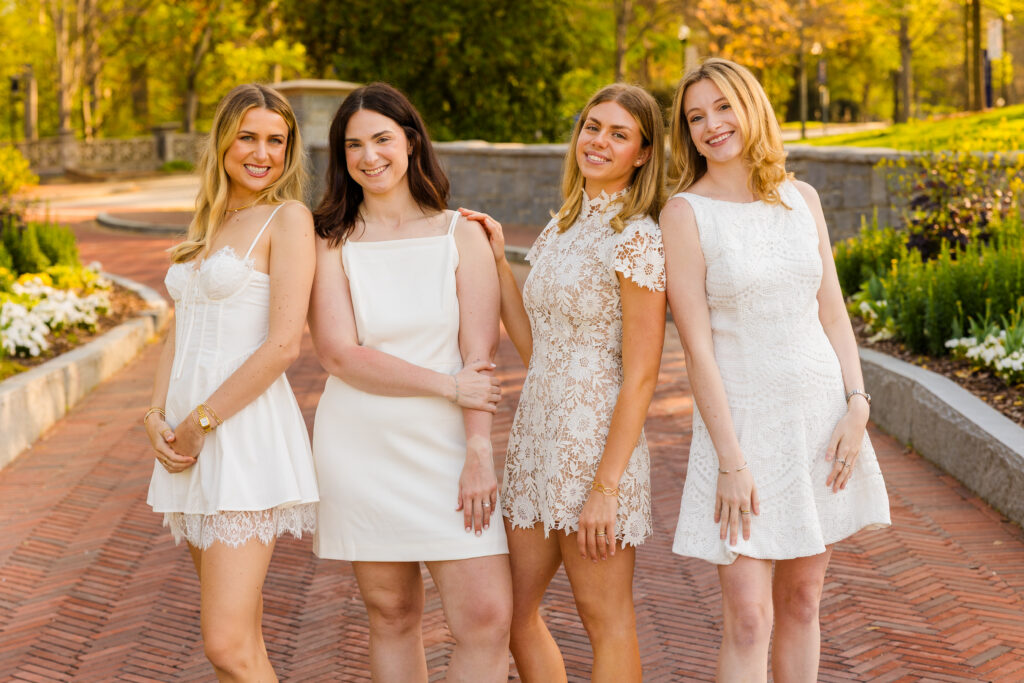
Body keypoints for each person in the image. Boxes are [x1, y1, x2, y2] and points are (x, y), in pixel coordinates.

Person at [661, 58, 891, 682]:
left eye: (723, 108)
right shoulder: (684, 214)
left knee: (801, 602)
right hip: (741, 430)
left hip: (818, 420)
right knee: (748, 619)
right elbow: (697, 349)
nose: (712, 125)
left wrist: (858, 403)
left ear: (751, 106)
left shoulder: (802, 198)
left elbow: (835, 315)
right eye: (696, 117)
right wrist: (731, 460)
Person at [460, 83, 666, 683]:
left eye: (618, 134)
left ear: (643, 153)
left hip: (598, 446)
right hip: (536, 440)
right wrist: (499, 263)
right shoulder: (563, 225)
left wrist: (606, 487)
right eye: (592, 126)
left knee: (605, 618)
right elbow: (535, 348)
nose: (598, 141)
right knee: (513, 613)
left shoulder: (639, 238)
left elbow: (644, 372)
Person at [307, 82, 511, 682]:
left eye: (382, 139)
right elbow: (340, 355)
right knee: (392, 612)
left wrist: (479, 451)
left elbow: (480, 355)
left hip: (450, 446)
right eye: (353, 146)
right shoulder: (330, 242)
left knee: (486, 616)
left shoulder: (462, 233)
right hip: (362, 443)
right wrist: (448, 388)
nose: (369, 157)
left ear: (412, 141)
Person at [144, 83, 319, 680]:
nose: (261, 153)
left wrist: (200, 423)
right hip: (187, 442)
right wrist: (154, 415)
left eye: (276, 140)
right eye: (248, 136)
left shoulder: (288, 218)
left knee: (224, 643)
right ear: (223, 141)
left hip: (240, 436)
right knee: (242, 640)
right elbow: (179, 329)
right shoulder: (213, 218)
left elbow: (283, 344)